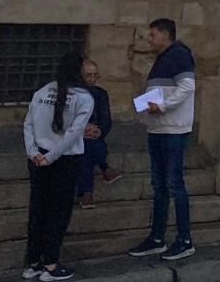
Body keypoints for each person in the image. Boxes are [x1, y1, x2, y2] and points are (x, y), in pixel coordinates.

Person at [126, 18, 197, 262]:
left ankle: (185, 239)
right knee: (159, 185)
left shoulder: (179, 54)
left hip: (173, 129)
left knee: (174, 184)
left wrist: (163, 106)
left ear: (166, 34)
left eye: (154, 34)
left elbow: (187, 87)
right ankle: (156, 238)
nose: (150, 39)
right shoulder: (163, 58)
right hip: (157, 129)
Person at [22, 51, 94, 282]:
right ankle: (51, 264)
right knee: (58, 212)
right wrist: (51, 156)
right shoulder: (84, 98)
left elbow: (28, 124)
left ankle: (33, 261)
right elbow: (73, 134)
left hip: (38, 158)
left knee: (38, 210)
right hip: (64, 159)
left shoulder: (42, 92)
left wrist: (34, 152)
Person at [75, 59, 121, 209]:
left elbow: (106, 118)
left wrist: (98, 131)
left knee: (90, 147)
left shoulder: (101, 94)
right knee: (88, 147)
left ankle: (86, 193)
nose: (93, 79)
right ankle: (104, 168)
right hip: (76, 135)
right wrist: (82, 129)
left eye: (96, 75)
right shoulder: (73, 93)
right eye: (89, 76)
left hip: (94, 135)